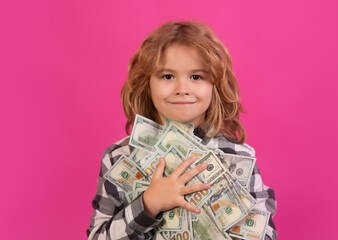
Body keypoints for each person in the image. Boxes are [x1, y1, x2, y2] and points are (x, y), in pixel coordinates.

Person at [87, 20, 277, 240]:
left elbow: (264, 233)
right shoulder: (119, 157)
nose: (182, 89)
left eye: (196, 77)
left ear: (215, 86)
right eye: (168, 76)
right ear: (146, 84)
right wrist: (148, 204)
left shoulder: (239, 156)